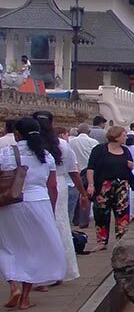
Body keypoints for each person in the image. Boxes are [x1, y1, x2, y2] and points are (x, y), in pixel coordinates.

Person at [0, 117, 68, 309]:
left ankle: (13, 285)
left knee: (7, 247)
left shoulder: (5, 153)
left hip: (10, 204)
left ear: (17, 134)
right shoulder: (45, 156)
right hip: (39, 202)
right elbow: (52, 186)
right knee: (33, 249)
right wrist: (51, 210)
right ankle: (25, 298)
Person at [32, 112, 81, 282]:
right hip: (59, 185)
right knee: (61, 225)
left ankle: (42, 271)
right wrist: (82, 192)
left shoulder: (32, 146)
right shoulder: (61, 145)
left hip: (36, 187)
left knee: (40, 229)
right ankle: (64, 268)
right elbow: (73, 171)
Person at [86, 126, 134, 251]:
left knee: (122, 213)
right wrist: (91, 184)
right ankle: (102, 241)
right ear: (116, 136)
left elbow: (128, 166)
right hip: (104, 185)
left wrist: (129, 166)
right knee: (101, 214)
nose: (126, 137)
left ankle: (121, 239)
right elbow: (91, 168)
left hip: (121, 186)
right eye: (124, 135)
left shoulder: (125, 151)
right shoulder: (99, 150)